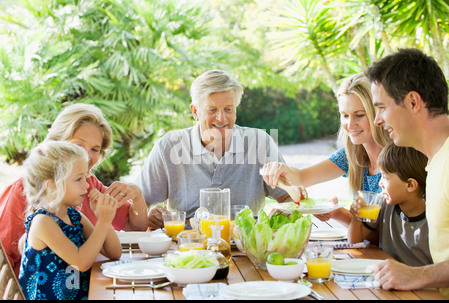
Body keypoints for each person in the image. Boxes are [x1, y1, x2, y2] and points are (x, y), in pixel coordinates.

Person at [0, 103, 149, 277]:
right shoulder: (26, 190)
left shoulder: (88, 186)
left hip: (81, 287)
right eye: (78, 145)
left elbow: (133, 227)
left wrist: (136, 195)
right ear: (57, 143)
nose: (86, 156)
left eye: (95, 149)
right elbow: (4, 258)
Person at [135, 70, 289, 228]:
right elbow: (137, 202)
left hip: (245, 248)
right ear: (195, 112)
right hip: (187, 247)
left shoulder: (260, 143)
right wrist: (149, 216)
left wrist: (283, 212)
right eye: (212, 110)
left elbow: (289, 198)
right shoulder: (169, 146)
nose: (222, 118)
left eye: (228, 109)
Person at [367, 48, 449, 297]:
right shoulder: (434, 162)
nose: (377, 120)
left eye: (381, 107)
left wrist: (418, 275)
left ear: (413, 102)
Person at [261, 73, 391, 225]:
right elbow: (303, 177)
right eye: (345, 115)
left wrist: (338, 212)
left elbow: (381, 232)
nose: (350, 124)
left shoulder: (397, 160)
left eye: (359, 115)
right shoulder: (351, 155)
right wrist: (282, 170)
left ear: (378, 114)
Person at [18, 141, 122, 300]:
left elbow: (114, 253)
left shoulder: (74, 217)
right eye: (79, 179)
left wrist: (103, 220)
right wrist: (102, 221)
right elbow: (81, 262)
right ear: (52, 186)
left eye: (85, 177)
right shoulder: (42, 222)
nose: (87, 185)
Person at [348, 143, 431, 266]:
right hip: (387, 276)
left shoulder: (432, 218)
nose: (380, 183)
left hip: (422, 282)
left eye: (385, 177)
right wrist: (356, 216)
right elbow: (354, 240)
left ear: (410, 185)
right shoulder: (382, 203)